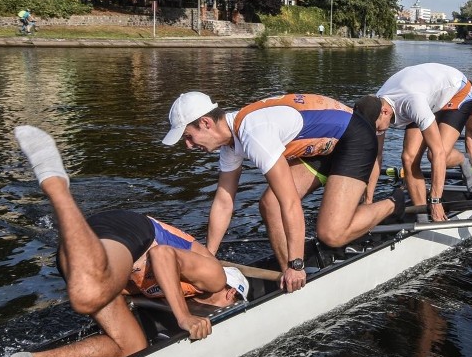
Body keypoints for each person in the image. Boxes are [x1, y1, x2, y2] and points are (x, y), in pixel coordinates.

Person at [0, 125, 247, 357]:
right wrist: (182, 318)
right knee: (88, 296)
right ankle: (56, 185)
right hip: (131, 231)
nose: (222, 310)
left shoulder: (178, 291)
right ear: (230, 294)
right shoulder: (215, 277)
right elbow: (164, 255)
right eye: (233, 303)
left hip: (95, 258)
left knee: (131, 347)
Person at [162, 92, 403, 293]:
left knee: (331, 234)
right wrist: (209, 258)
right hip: (324, 144)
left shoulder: (254, 134)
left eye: (189, 137)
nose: (189, 145)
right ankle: (289, 277)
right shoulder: (230, 145)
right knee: (269, 204)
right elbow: (224, 202)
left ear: (206, 123)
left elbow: (290, 203)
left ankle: (394, 202)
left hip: (354, 137)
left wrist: (297, 263)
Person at [353, 63, 472, 222]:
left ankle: (462, 159)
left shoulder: (412, 103)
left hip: (457, 92)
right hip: (427, 93)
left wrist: (436, 200)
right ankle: (422, 218)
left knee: (435, 154)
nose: (377, 130)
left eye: (377, 127)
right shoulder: (374, 106)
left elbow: (439, 152)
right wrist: (368, 201)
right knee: (408, 158)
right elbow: (376, 156)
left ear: (385, 112)